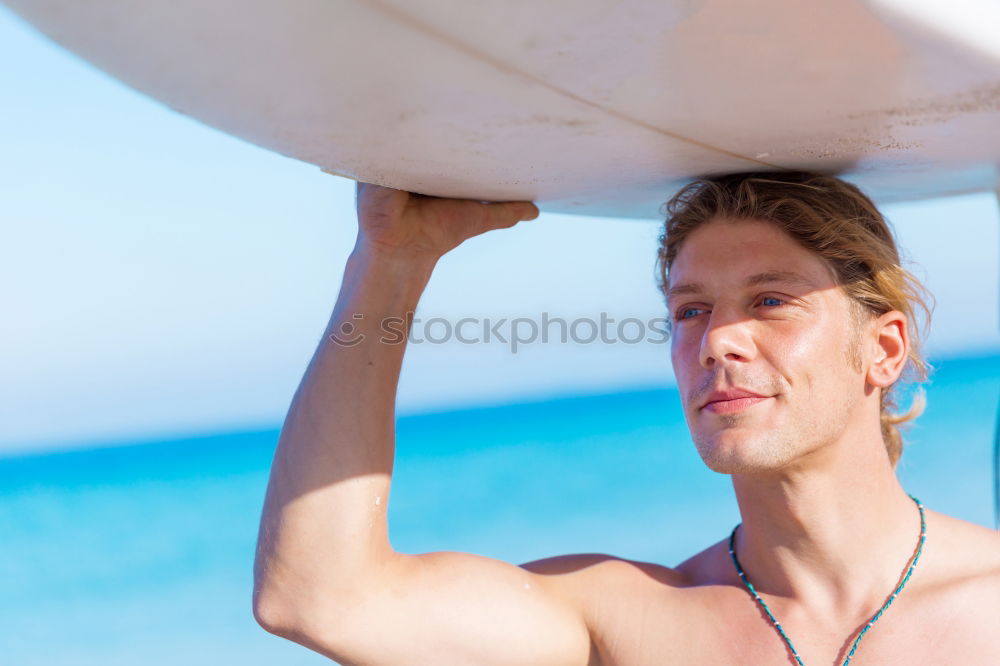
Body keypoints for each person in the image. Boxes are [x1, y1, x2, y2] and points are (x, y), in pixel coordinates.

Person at [252, 172, 1000, 665]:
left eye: (771, 300)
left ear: (885, 348)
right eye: (691, 310)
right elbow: (318, 596)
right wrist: (390, 261)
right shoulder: (629, 625)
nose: (718, 340)